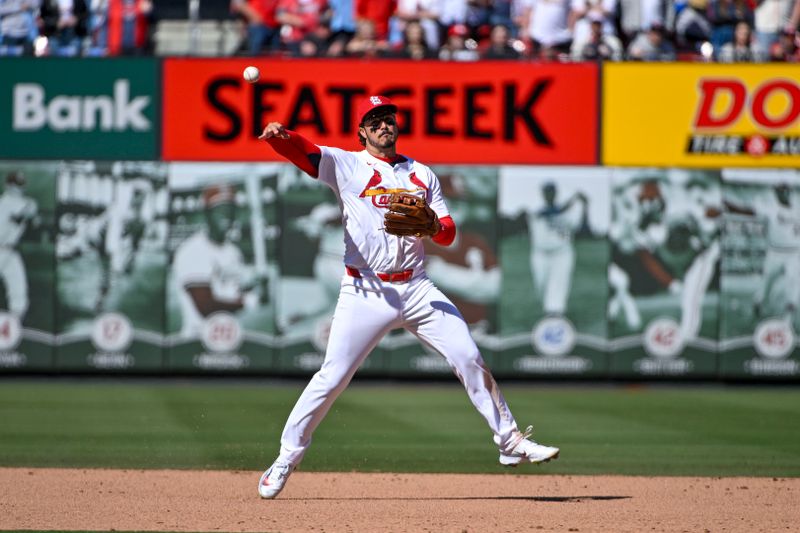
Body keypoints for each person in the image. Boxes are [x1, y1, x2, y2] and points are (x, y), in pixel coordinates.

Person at [256, 95, 560, 499]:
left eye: (389, 118)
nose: (384, 125)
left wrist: (434, 224)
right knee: (332, 378)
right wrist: (282, 135)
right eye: (375, 120)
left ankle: (510, 442)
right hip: (365, 289)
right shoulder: (347, 164)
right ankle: (285, 458)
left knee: (468, 356)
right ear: (362, 131)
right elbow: (305, 153)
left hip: (416, 287)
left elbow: (449, 233)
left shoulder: (420, 174)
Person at [172, 184, 268, 339]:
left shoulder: (233, 251)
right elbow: (205, 305)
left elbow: (230, 289)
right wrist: (248, 302)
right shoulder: (193, 251)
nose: (227, 217)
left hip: (230, 337)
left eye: (231, 210)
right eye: (220, 210)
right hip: (197, 339)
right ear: (207, 214)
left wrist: (254, 285)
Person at [725, 182, 800, 321]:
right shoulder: (771, 208)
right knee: (766, 283)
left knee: (793, 282)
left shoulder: (797, 209)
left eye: (786, 191)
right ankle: (758, 304)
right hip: (775, 253)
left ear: (790, 192)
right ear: (775, 193)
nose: (783, 194)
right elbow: (748, 212)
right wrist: (729, 205)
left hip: (794, 253)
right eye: (780, 191)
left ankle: (788, 315)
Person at [527, 182, 588, 317]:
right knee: (541, 285)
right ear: (543, 194)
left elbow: (582, 228)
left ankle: (556, 313)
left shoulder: (567, 214)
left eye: (552, 192)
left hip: (562, 253)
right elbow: (550, 212)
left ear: (556, 193)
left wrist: (585, 206)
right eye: (547, 192)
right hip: (540, 254)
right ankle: (550, 310)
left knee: (558, 285)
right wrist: (574, 199)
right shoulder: (535, 209)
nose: (549, 195)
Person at [0, 171, 38, 321]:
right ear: (7, 185)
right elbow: (28, 211)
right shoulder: (6, 202)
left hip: (11, 251)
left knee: (19, 292)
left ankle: (12, 329)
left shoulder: (21, 202)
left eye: (20, 186)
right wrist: (32, 210)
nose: (18, 189)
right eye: (15, 185)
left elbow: (30, 215)